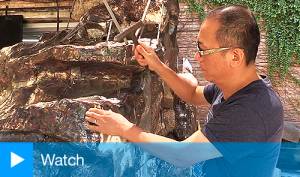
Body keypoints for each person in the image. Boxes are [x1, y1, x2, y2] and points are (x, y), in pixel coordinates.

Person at [85, 5, 283, 177]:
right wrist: (158, 66)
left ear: (235, 56)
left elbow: (182, 155)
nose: (197, 57)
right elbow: (192, 94)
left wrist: (124, 128)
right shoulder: (234, 87)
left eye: (203, 50)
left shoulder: (252, 110)